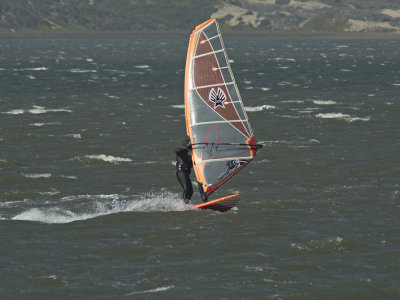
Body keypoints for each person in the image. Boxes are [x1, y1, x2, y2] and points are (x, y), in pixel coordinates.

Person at [175, 137, 193, 203]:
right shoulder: (182, 153)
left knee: (190, 191)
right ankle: (183, 205)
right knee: (187, 189)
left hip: (186, 174)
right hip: (181, 172)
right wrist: (185, 148)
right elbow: (176, 150)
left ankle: (186, 203)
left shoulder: (189, 156)